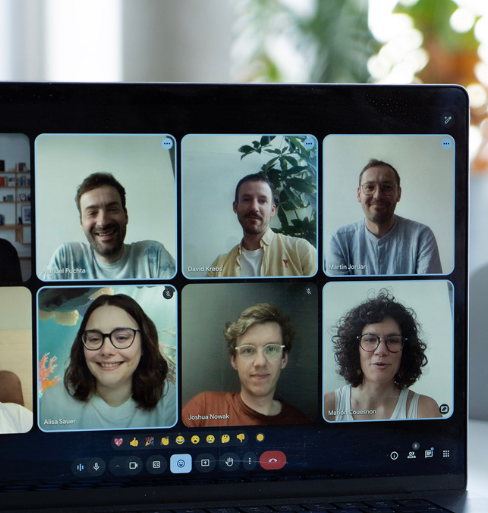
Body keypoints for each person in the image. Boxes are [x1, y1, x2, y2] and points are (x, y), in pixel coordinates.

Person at [39, 293, 176, 430]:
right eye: (94, 339)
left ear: (144, 345)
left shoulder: (169, 400)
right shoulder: (53, 402)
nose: (106, 350)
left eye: (121, 338)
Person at [182, 303, 308, 427]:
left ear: (284, 359)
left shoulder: (301, 423)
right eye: (248, 350)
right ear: (234, 360)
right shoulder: (203, 408)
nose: (260, 362)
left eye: (271, 349)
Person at [323, 291, 441, 422]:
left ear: (405, 351)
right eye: (370, 339)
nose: (381, 351)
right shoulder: (327, 405)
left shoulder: (425, 410)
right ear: (355, 349)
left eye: (392, 340)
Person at [42, 173, 175, 280]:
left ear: (126, 215)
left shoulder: (154, 255)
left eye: (112, 209)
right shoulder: (66, 257)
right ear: (81, 223)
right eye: (92, 213)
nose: (103, 222)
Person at [327, 159, 441, 276]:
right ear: (359, 194)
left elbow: (429, 291)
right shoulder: (339, 241)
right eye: (369, 187)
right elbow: (339, 293)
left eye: (387, 187)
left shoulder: (422, 237)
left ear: (399, 194)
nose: (377, 196)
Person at [205, 174, 316, 277]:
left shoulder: (301, 251)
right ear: (235, 207)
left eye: (262, 201)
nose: (254, 207)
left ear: (272, 210)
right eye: (247, 199)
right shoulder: (219, 266)